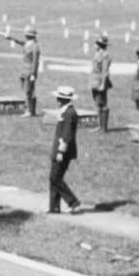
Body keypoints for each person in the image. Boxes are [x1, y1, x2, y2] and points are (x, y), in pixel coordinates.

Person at [49, 86, 82, 214]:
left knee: (55, 178)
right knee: (54, 178)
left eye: (59, 97)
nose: (57, 99)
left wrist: (60, 152)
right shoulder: (65, 111)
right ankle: (54, 207)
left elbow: (67, 135)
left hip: (63, 151)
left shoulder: (69, 113)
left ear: (64, 99)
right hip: (58, 148)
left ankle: (72, 201)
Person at [89, 35, 115, 132]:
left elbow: (105, 71)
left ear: (100, 45)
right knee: (97, 103)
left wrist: (103, 84)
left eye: (96, 43)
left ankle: (104, 127)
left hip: (100, 82)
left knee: (102, 103)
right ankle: (100, 125)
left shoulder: (105, 56)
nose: (95, 45)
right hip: (94, 82)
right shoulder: (97, 54)